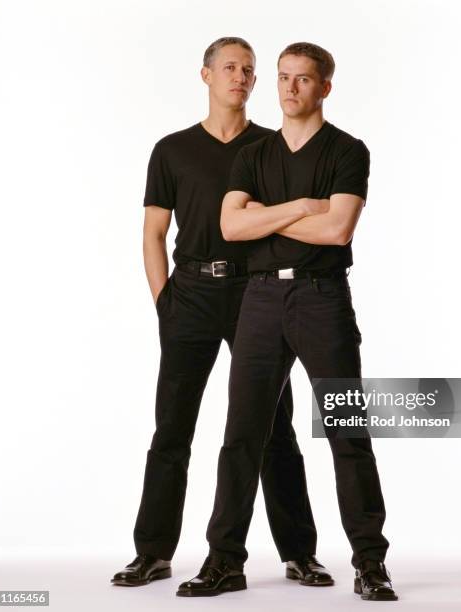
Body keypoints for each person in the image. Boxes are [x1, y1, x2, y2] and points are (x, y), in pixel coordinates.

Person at [177, 42, 398, 601]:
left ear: (325, 86)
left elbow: (338, 231)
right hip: (258, 301)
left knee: (348, 433)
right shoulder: (253, 154)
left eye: (302, 79)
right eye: (282, 78)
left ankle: (370, 563)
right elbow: (231, 226)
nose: (289, 88)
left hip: (323, 300)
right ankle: (224, 560)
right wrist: (303, 206)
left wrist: (266, 219)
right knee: (242, 435)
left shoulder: (348, 151)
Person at [111, 37, 333, 589]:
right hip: (188, 295)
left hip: (256, 295)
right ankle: (153, 551)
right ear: (206, 74)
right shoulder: (172, 150)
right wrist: (165, 302)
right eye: (230, 67)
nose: (241, 76)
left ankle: (299, 553)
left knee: (272, 429)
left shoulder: (270, 147)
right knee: (173, 427)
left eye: (250, 70)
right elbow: (154, 234)